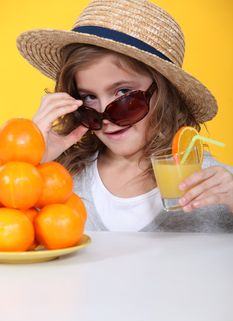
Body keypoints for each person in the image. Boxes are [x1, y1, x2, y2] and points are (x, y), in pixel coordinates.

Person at [16, 0, 233, 232]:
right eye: (89, 97)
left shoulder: (215, 185)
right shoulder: (60, 177)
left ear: (164, 93)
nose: (104, 116)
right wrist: (30, 159)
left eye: (123, 93)